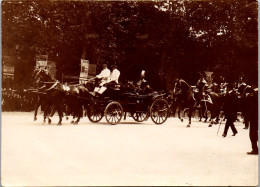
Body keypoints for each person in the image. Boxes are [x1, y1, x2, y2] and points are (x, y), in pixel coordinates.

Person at [247, 88, 258, 155]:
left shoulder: (252, 99)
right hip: (255, 117)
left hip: (254, 118)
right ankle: (255, 148)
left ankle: (255, 149)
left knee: (253, 134)